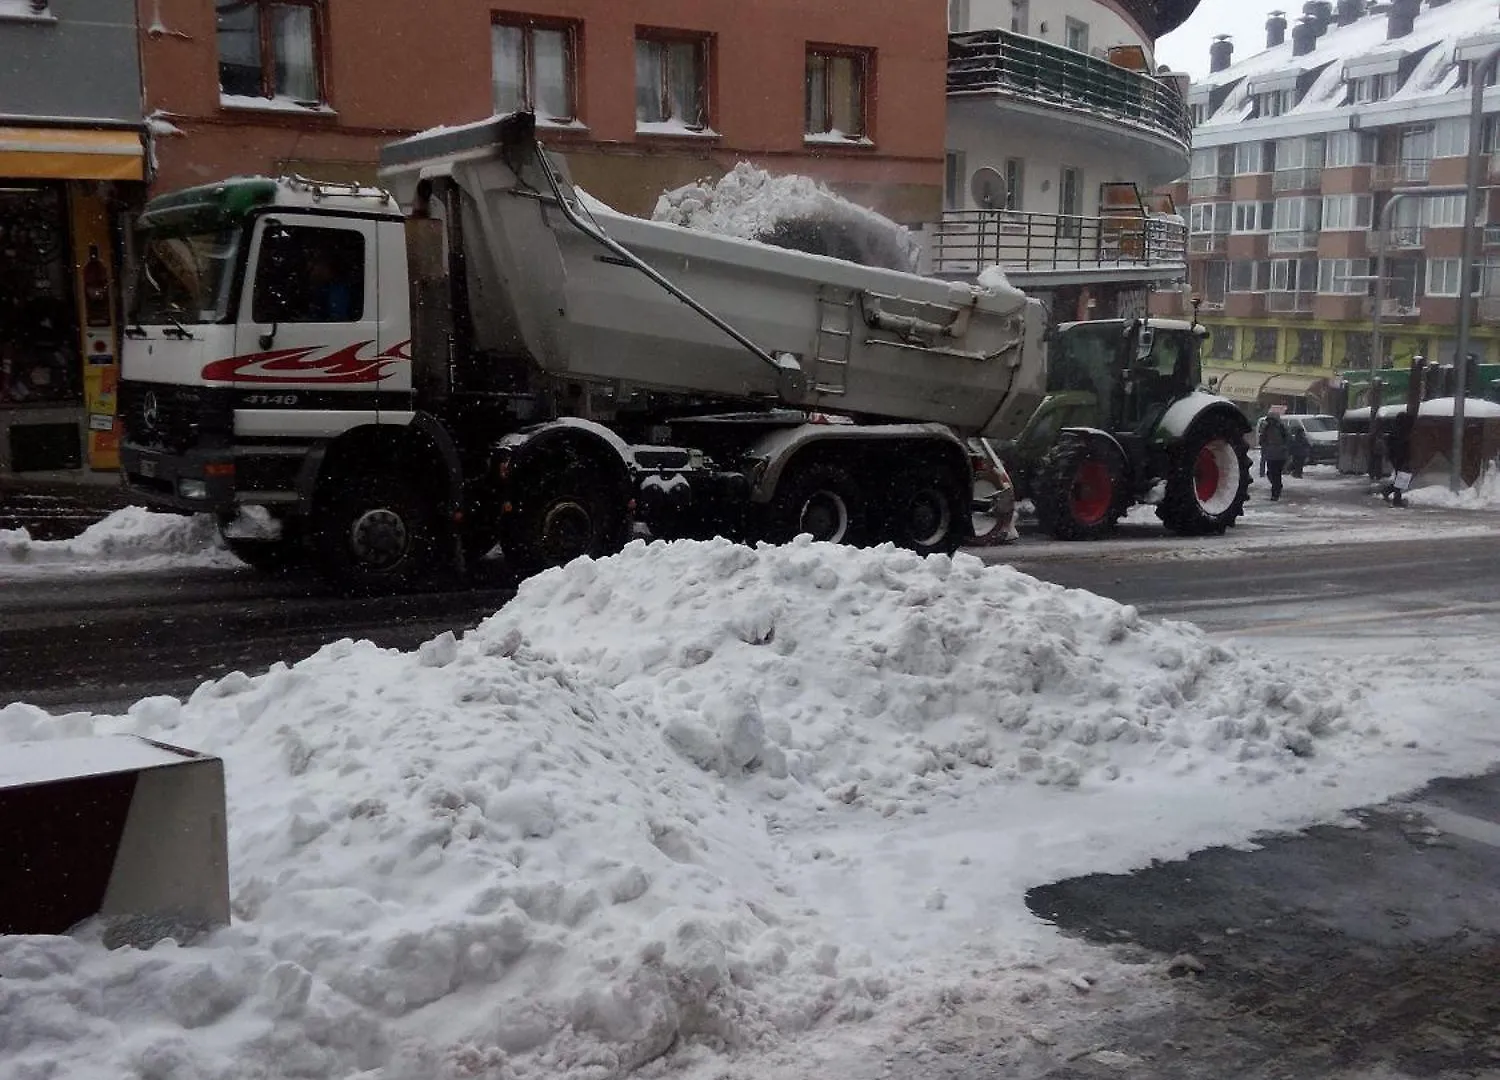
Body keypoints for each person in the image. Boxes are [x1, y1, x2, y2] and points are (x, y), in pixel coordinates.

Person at [1259, 410, 1290, 500]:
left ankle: (1275, 493)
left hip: (1279, 455)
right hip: (1270, 455)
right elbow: (1262, 440)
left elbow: (1287, 439)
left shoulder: (1281, 428)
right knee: (1271, 474)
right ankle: (1277, 487)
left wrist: (1284, 448)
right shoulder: (1266, 428)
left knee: (1276, 474)